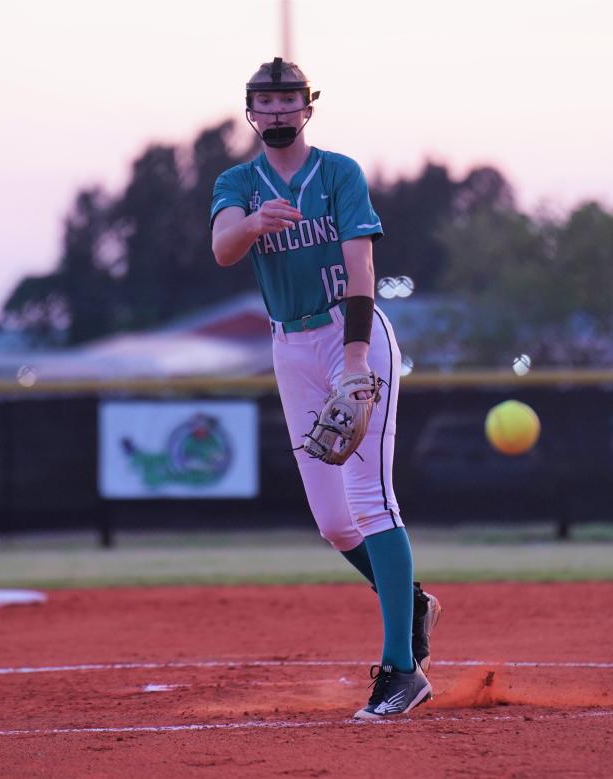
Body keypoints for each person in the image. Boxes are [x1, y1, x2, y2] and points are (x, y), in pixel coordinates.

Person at [211, 58, 440, 718]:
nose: (278, 111)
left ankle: (402, 668)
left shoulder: (337, 173)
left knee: (370, 499)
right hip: (289, 344)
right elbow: (225, 245)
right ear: (251, 111)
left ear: (307, 106)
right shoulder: (237, 182)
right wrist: (254, 223)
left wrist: (357, 360)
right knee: (335, 522)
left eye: (288, 100)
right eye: (267, 100)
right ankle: (413, 601)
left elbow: (361, 266)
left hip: (350, 334)